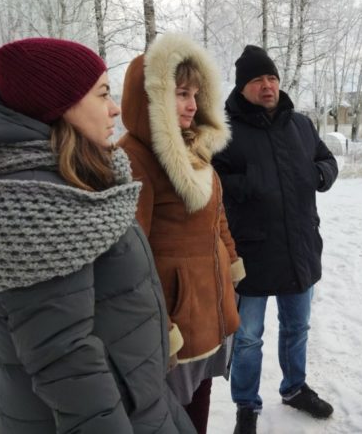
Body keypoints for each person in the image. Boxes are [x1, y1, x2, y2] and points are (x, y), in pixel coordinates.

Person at [0, 37, 195, 434]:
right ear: (59, 106)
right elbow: (67, 364)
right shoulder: (37, 204)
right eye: (102, 94)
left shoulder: (76, 182)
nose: (113, 108)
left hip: (135, 403)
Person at [118, 33, 245, 434]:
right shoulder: (134, 159)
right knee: (167, 418)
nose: (192, 104)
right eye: (180, 93)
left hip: (210, 307)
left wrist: (232, 265)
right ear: (151, 98)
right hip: (172, 323)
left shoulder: (195, 149)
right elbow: (129, 259)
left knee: (199, 405)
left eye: (195, 93)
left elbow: (216, 215)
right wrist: (159, 324)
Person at [212, 45, 339, 434]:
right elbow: (212, 180)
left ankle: (294, 388)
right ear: (242, 87)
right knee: (248, 338)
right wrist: (253, 183)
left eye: (271, 78)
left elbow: (326, 160)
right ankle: (246, 406)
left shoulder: (299, 124)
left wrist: (320, 176)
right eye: (257, 80)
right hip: (250, 250)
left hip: (299, 245)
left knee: (297, 327)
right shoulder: (224, 130)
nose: (267, 86)